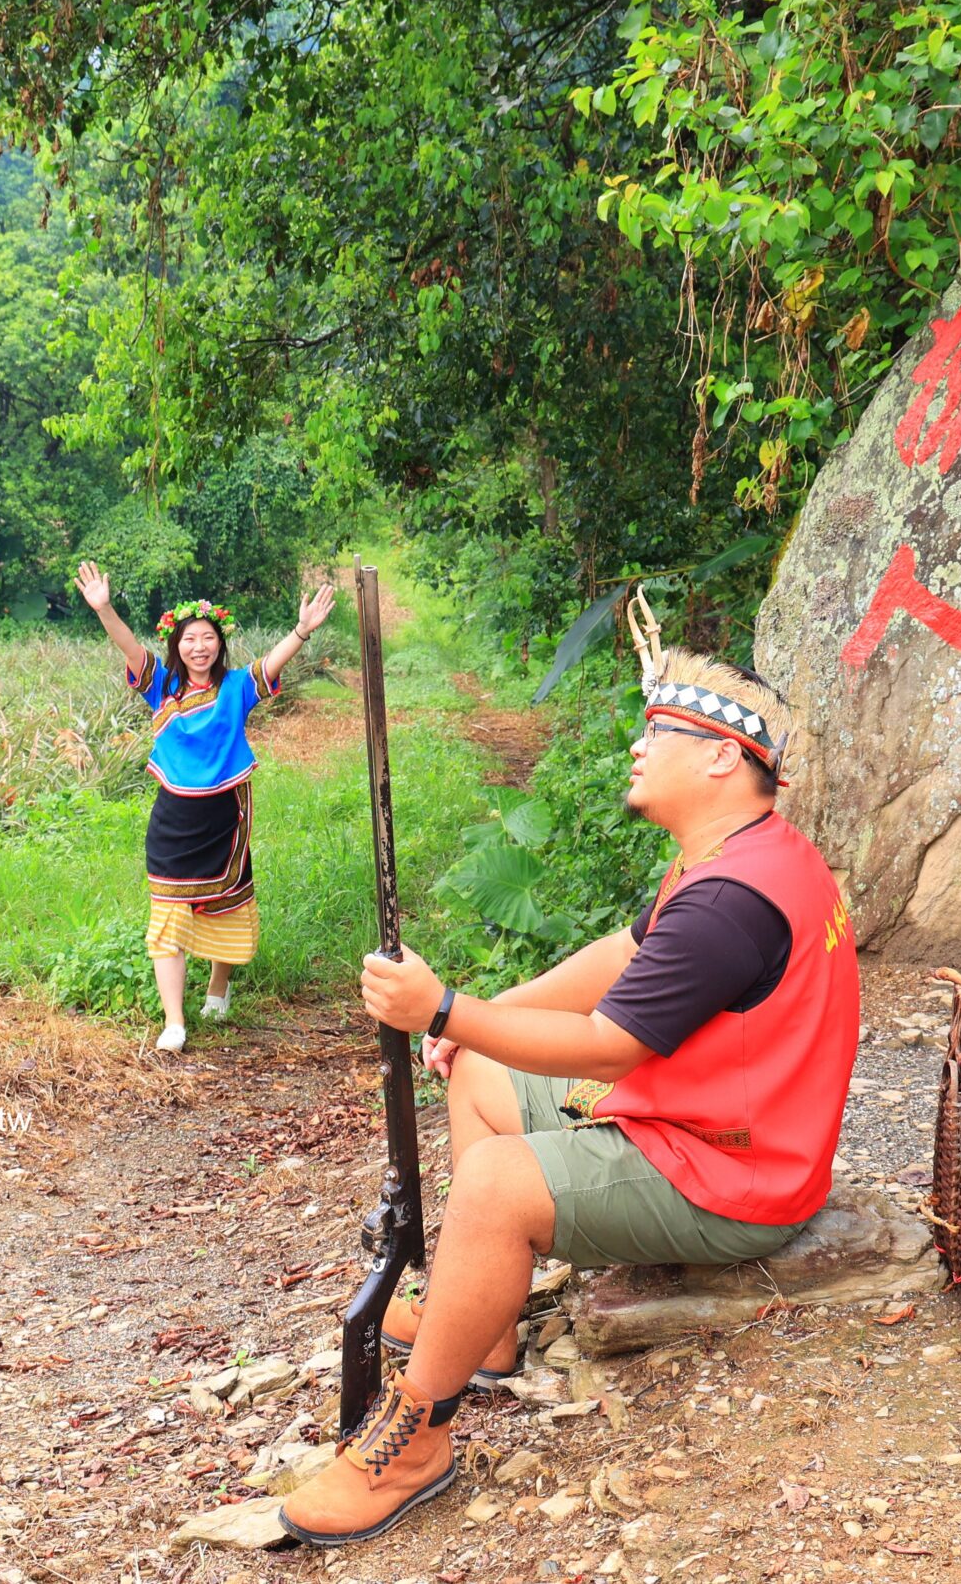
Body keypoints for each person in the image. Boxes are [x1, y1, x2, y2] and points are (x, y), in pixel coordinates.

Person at [278, 644, 861, 1546]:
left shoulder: (731, 902)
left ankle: (416, 1439)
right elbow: (626, 956)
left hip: (733, 1177)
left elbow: (607, 1043)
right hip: (700, 1128)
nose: (638, 744)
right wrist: (476, 1021)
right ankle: (487, 1326)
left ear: (720, 757)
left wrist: (442, 1004)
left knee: (496, 1183)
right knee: (475, 1069)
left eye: (659, 728)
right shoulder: (734, 856)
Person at [75, 562, 336, 1051]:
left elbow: (270, 664)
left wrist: (301, 630)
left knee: (226, 907)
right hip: (173, 819)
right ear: (177, 646)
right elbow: (128, 645)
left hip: (225, 817)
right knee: (168, 914)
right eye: (190, 638)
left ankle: (218, 986)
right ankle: (174, 1022)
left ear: (220, 643)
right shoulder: (161, 686)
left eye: (208, 637)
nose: (199, 646)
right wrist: (104, 607)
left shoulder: (237, 687)